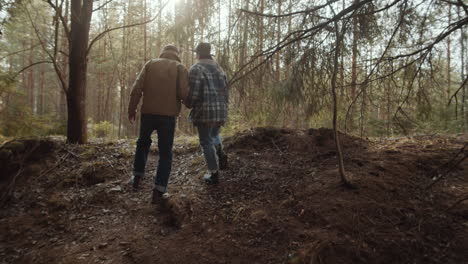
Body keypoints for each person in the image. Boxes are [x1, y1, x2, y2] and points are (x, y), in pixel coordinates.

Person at [127, 44, 189, 203]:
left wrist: (132, 108)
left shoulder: (150, 64)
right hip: (168, 116)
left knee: (142, 143)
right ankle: (159, 189)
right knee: (165, 152)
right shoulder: (180, 67)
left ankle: (137, 177)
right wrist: (189, 104)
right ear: (176, 54)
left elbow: (137, 87)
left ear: (163, 53)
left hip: (148, 113)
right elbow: (184, 93)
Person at [184, 42, 229, 184]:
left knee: (205, 141)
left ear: (198, 54)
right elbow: (226, 91)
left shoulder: (196, 69)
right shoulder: (219, 69)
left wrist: (188, 103)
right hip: (221, 109)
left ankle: (213, 173)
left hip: (205, 111)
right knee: (214, 134)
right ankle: (221, 157)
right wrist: (224, 107)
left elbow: (194, 93)